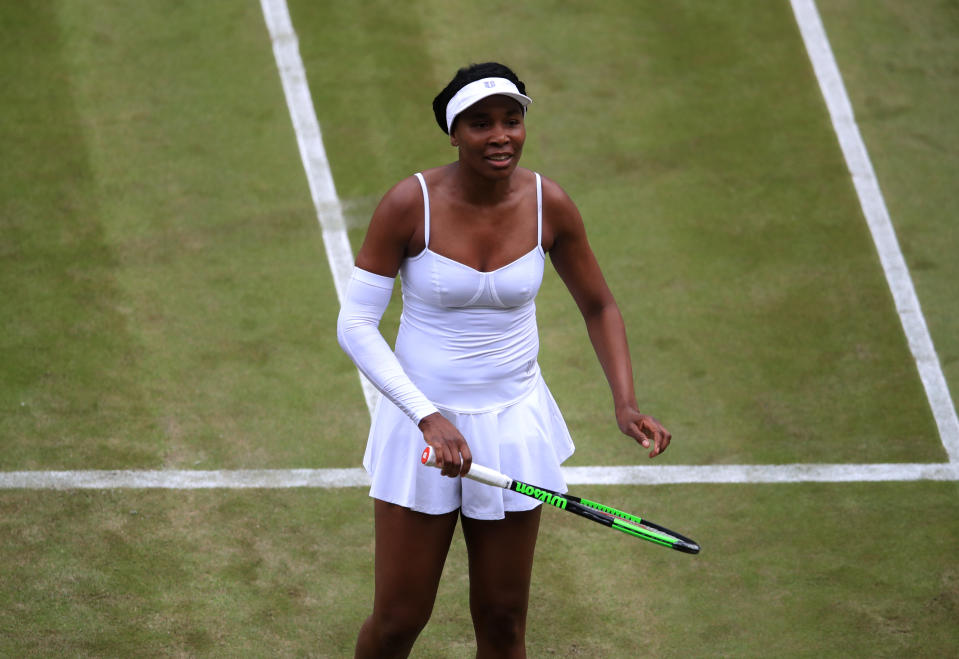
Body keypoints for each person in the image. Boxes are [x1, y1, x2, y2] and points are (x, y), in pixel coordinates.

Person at [337, 61, 671, 658]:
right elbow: (355, 325)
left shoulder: (551, 204)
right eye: (481, 123)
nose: (500, 136)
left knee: (502, 620)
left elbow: (599, 306)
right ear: (453, 133)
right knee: (398, 620)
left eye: (512, 121)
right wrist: (427, 416)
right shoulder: (408, 204)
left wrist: (626, 404)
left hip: (514, 427)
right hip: (422, 431)